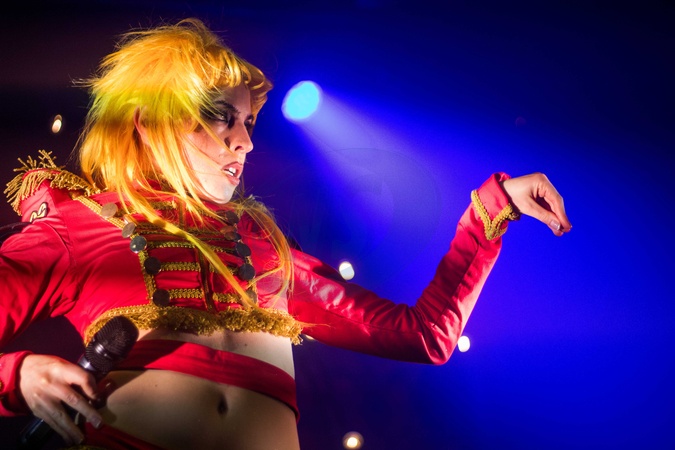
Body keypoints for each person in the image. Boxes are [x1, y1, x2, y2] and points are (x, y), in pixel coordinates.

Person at [0, 18, 571, 449]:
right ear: (150, 123)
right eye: (222, 116)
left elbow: (426, 336)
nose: (245, 142)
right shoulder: (81, 226)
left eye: (249, 122)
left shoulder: (266, 250)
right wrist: (18, 373)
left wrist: (492, 211)